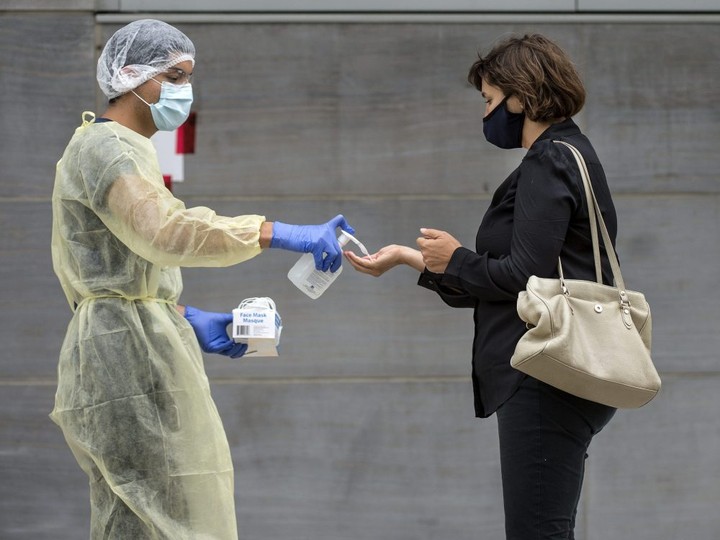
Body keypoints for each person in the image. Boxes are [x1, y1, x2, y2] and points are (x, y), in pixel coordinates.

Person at [50, 19, 353, 539]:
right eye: (172, 75)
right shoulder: (106, 149)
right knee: (146, 514)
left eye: (187, 76)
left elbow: (127, 268)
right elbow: (165, 232)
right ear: (129, 75)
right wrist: (276, 231)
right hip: (120, 357)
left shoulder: (129, 150)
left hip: (139, 343)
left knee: (164, 506)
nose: (183, 90)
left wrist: (184, 319)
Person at [346, 34, 617, 539]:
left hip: (544, 372)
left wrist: (459, 258)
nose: (486, 115)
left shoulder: (550, 159)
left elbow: (522, 279)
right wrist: (413, 259)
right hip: (560, 371)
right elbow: (508, 281)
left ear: (523, 95)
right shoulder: (571, 154)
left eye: (490, 101)